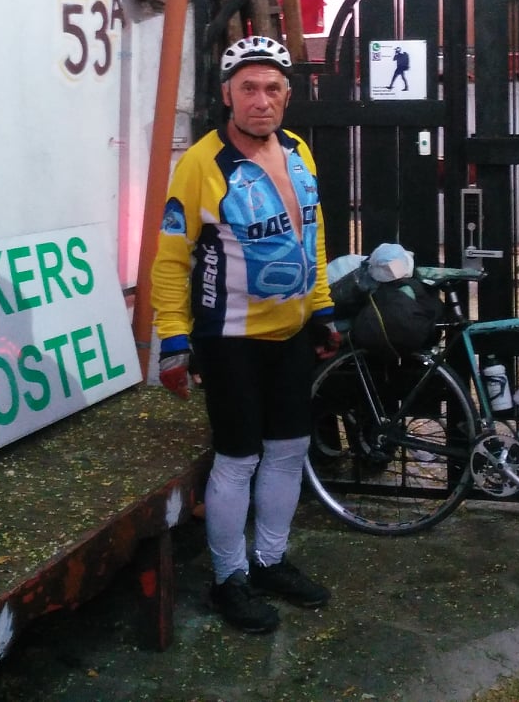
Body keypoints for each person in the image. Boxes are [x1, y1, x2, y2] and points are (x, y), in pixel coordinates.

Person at [149, 34, 342, 634]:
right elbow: (171, 259)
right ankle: (228, 577)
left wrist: (321, 307)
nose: (262, 100)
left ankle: (270, 561)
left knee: (289, 449)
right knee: (237, 458)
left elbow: (312, 233)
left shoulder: (298, 151)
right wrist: (173, 339)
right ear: (227, 95)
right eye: (249, 88)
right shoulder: (201, 165)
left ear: (288, 94)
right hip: (229, 336)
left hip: (291, 333)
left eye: (273, 88)